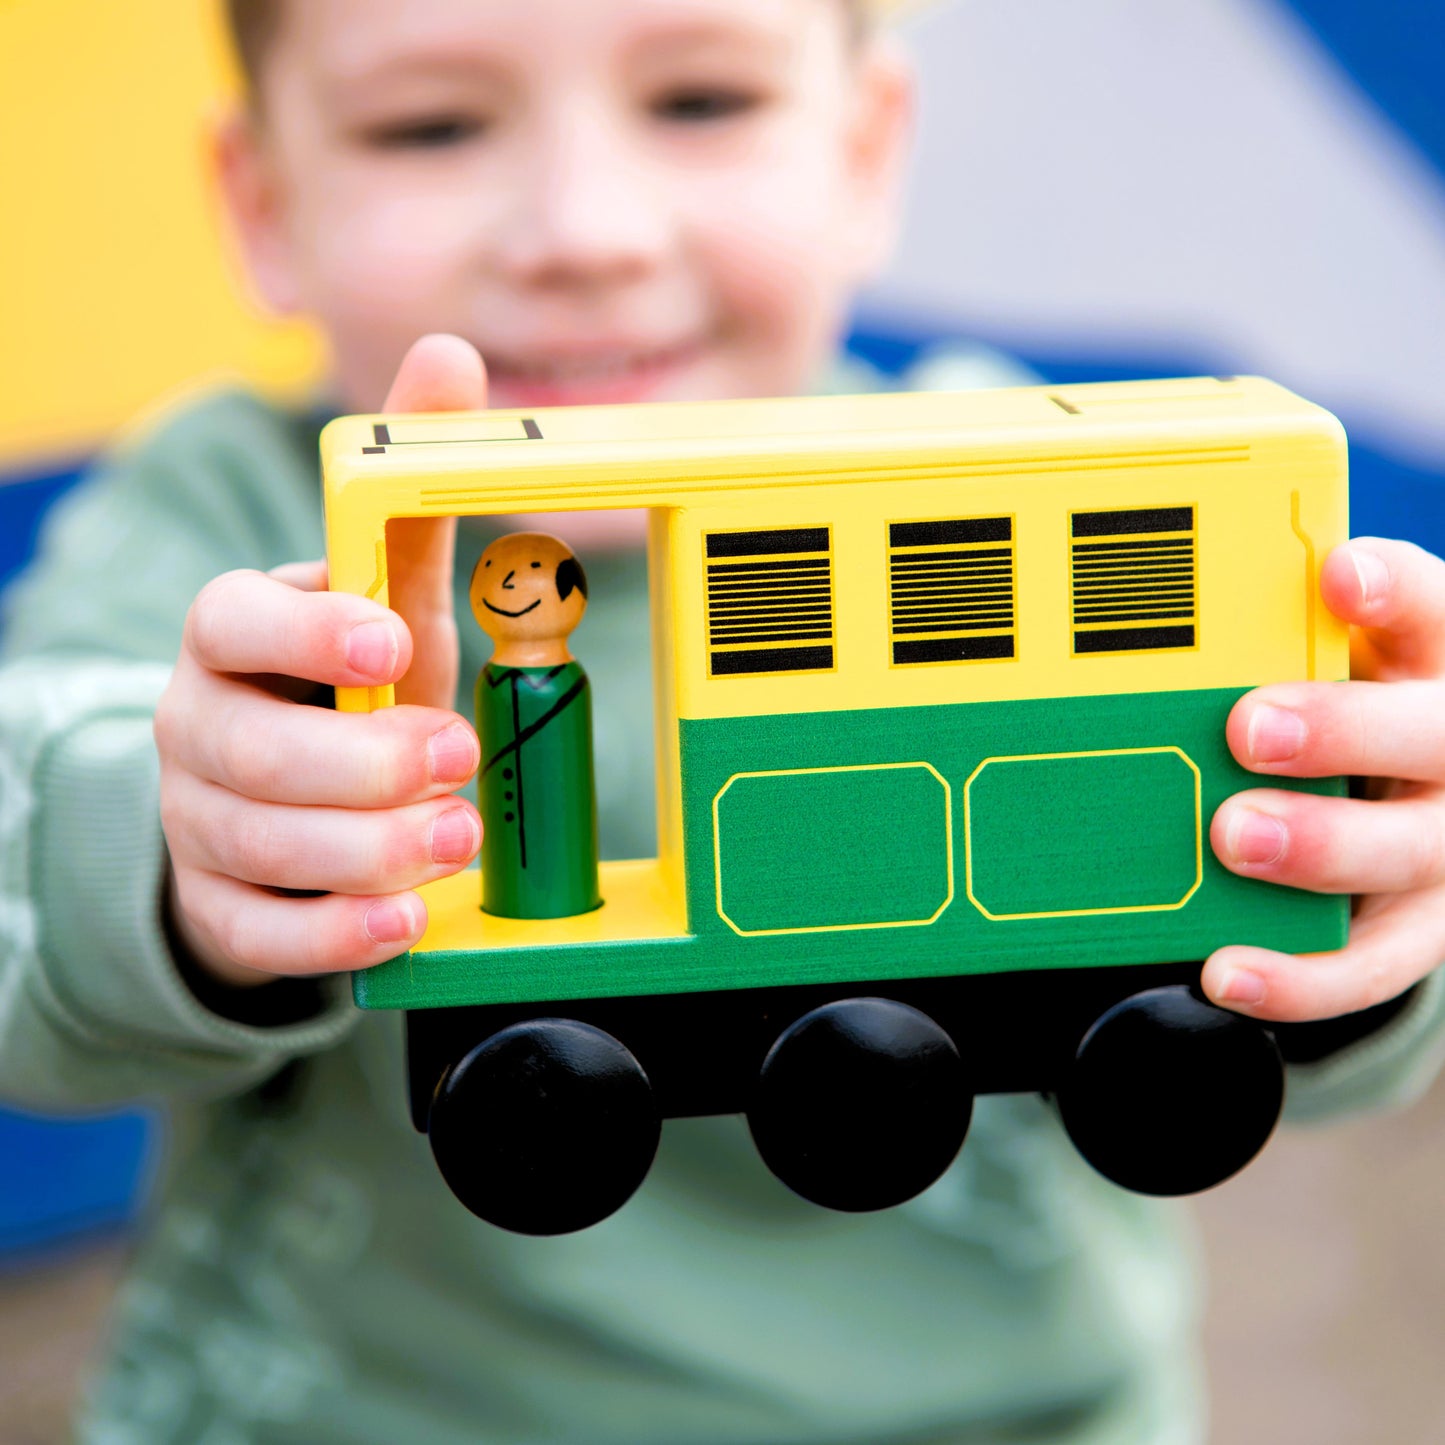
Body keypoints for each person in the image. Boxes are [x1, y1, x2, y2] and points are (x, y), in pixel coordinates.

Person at [2, 0, 1444, 1440]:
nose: (585, 230)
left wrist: (1367, 879)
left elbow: (1304, 1004)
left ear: (866, 151)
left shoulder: (982, 454)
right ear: (264, 203)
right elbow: (36, 826)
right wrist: (192, 838)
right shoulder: (237, 529)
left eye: (698, 102)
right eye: (429, 125)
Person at [470, 532, 601, 919]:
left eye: (532, 570)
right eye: (492, 570)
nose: (508, 583)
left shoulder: (567, 682)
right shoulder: (491, 684)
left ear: (569, 586)